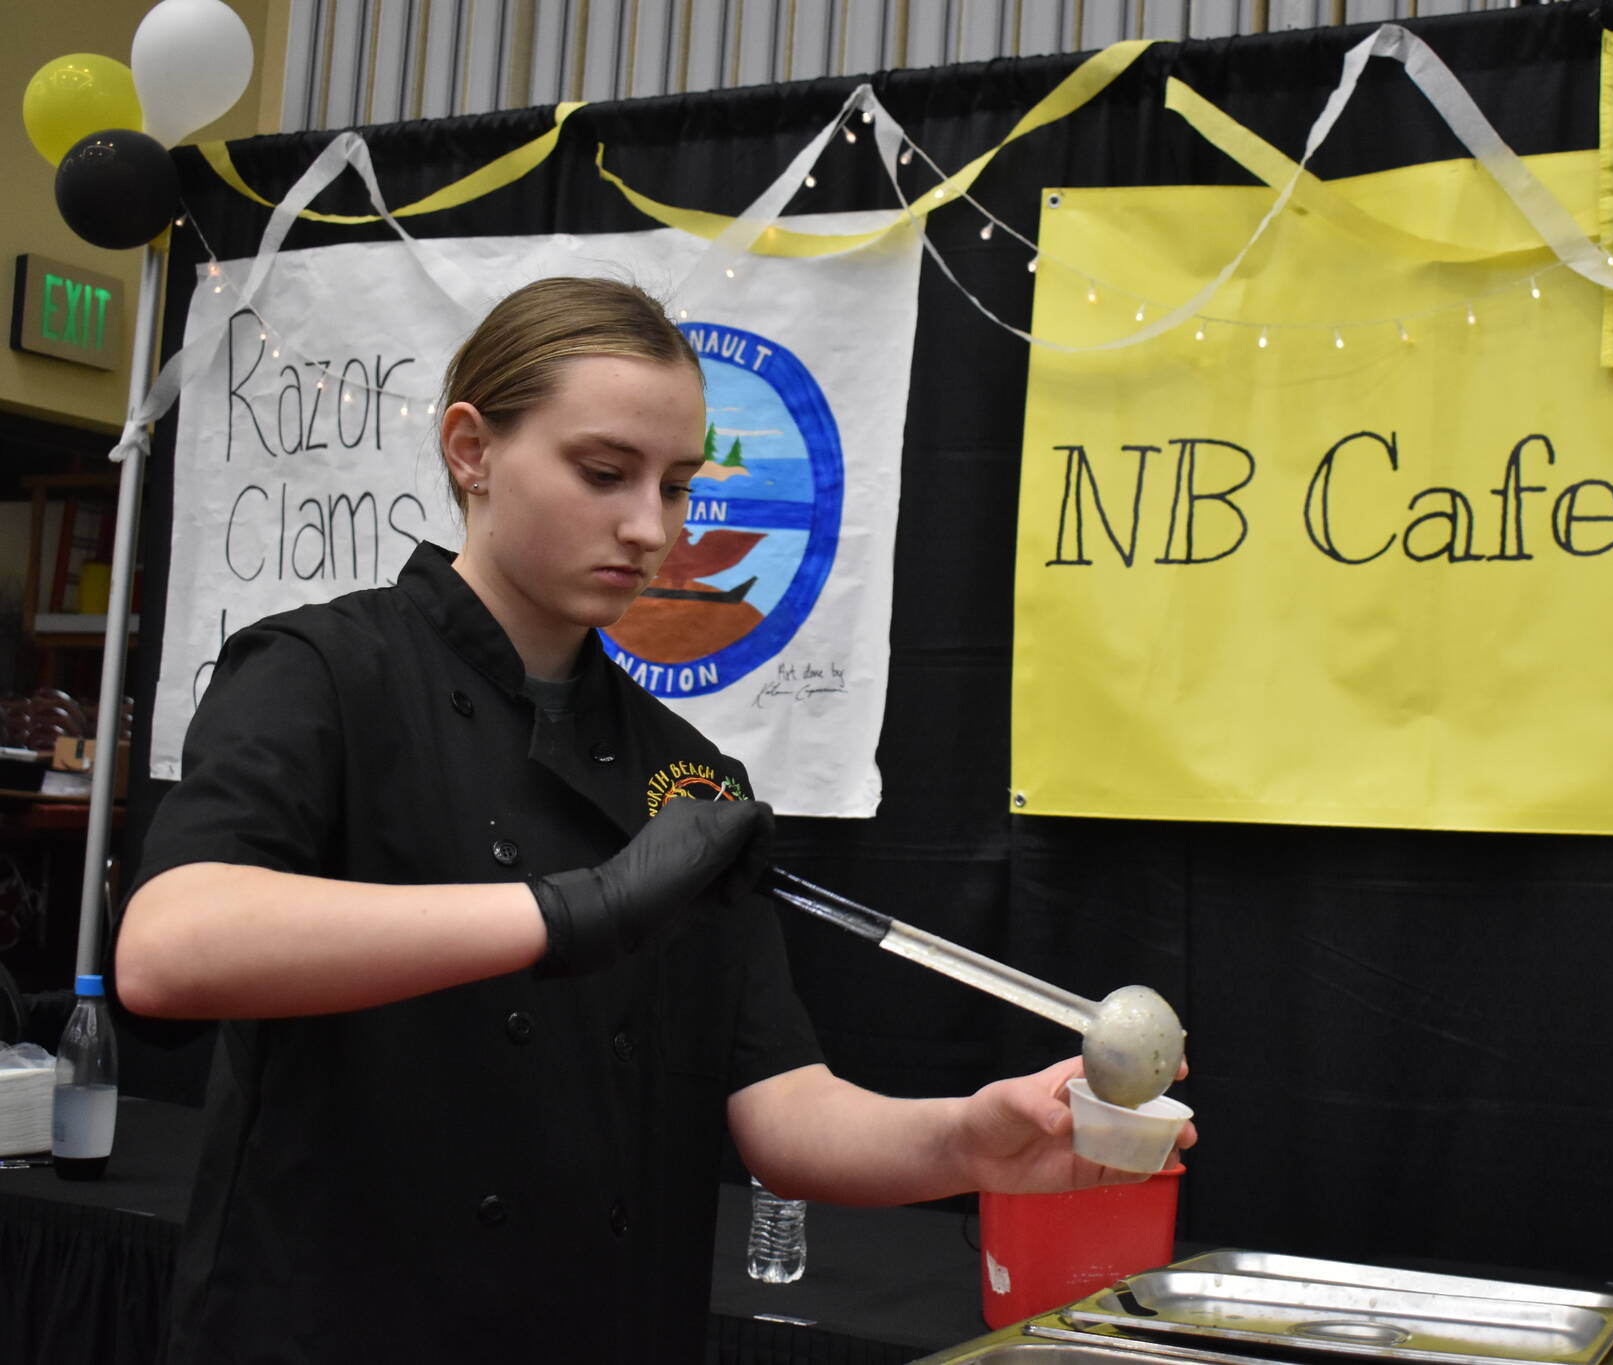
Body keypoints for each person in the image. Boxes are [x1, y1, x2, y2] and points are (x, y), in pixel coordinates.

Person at [114, 276, 1194, 1363]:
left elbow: (782, 1112)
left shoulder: (683, 773)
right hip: (336, 1323)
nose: (649, 528)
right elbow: (171, 949)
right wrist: (579, 910)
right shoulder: (322, 674)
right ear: (469, 450)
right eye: (602, 473)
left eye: (676, 486)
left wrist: (970, 1139)